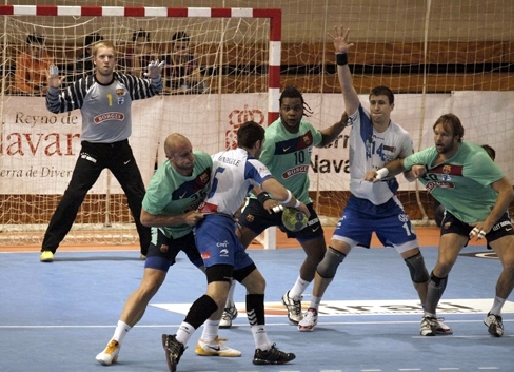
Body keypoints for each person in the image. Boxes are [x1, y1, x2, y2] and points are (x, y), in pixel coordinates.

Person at [292, 25, 450, 333]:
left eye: (381, 103)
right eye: (373, 102)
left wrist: (417, 171)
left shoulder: (401, 136)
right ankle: (312, 310)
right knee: (328, 261)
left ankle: (429, 315)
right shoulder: (359, 119)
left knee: (417, 263)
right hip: (358, 208)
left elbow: (406, 170)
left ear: (392, 106)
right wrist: (341, 56)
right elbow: (347, 90)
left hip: (389, 208)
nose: (375, 107)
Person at [161, 120, 309, 371]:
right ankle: (178, 339)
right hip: (214, 227)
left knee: (256, 283)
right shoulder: (252, 162)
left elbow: (245, 184)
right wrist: (297, 203)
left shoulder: (218, 156)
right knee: (218, 291)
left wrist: (261, 198)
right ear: (259, 144)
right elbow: (276, 189)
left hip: (220, 225)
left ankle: (263, 348)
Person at [96, 134, 241, 366]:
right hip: (168, 232)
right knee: (149, 286)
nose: (190, 158)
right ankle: (114, 342)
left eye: (191, 152)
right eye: (184, 155)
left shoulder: (203, 162)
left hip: (196, 230)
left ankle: (209, 340)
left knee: (223, 279)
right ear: (169, 157)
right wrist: (182, 218)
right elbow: (145, 218)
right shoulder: (161, 184)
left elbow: (220, 184)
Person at [367, 113, 514, 337]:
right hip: (456, 214)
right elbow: (400, 164)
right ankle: (429, 316)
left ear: (457, 137)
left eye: (444, 134)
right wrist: (380, 173)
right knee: (443, 264)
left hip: (490, 213)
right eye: (436, 133)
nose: (438, 138)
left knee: (512, 262)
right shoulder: (429, 156)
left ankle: (494, 313)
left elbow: (507, 190)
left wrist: (488, 222)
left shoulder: (476, 158)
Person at [222, 85, 348, 328]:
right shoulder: (270, 139)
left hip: (298, 203)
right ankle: (228, 304)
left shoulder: (307, 131)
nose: (291, 113)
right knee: (234, 248)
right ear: (280, 110)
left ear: (303, 110)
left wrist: (342, 123)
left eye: (296, 108)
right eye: (287, 108)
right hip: (264, 202)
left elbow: (325, 137)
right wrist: (262, 198)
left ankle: (294, 296)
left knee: (318, 254)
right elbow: (252, 173)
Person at [40, 40, 163, 262]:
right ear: (94, 60)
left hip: (121, 149)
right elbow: (55, 107)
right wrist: (53, 88)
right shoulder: (83, 86)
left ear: (115, 60)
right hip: (92, 151)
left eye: (110, 57)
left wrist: (154, 76)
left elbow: (154, 89)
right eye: (102, 56)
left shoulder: (127, 82)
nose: (106, 60)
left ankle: (148, 248)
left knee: (138, 196)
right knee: (73, 195)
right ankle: (48, 247)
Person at [434, 144, 496, 227]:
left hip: (484, 210)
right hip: (463, 208)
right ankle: (449, 222)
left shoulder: (496, 178)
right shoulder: (464, 172)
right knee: (443, 208)